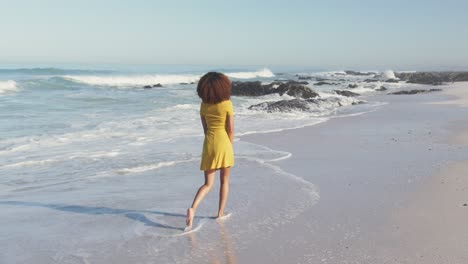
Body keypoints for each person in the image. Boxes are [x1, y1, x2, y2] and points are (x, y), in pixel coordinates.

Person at [186, 72, 234, 230]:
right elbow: (230, 129)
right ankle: (220, 213)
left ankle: (192, 208)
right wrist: (230, 146)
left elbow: (205, 130)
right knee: (224, 181)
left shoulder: (203, 105)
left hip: (209, 144)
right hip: (224, 143)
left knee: (207, 184)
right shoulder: (227, 103)